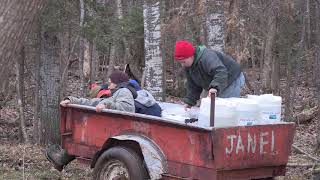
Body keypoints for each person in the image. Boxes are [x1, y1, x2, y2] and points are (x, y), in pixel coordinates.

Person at [45, 70, 137, 171]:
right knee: (80, 135)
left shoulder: (124, 91)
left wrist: (107, 105)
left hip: (115, 131)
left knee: (81, 134)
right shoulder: (115, 94)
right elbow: (92, 102)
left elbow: (127, 109)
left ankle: (60, 160)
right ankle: (60, 160)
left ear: (117, 82)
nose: (108, 84)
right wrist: (72, 100)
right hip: (111, 130)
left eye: (110, 81)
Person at [173, 40, 245, 109]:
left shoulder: (207, 57)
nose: (182, 65)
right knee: (207, 107)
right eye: (180, 62)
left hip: (231, 78)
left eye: (183, 62)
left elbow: (220, 71)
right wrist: (190, 101)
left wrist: (214, 87)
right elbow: (192, 85)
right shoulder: (188, 66)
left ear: (191, 56)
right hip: (215, 82)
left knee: (225, 108)